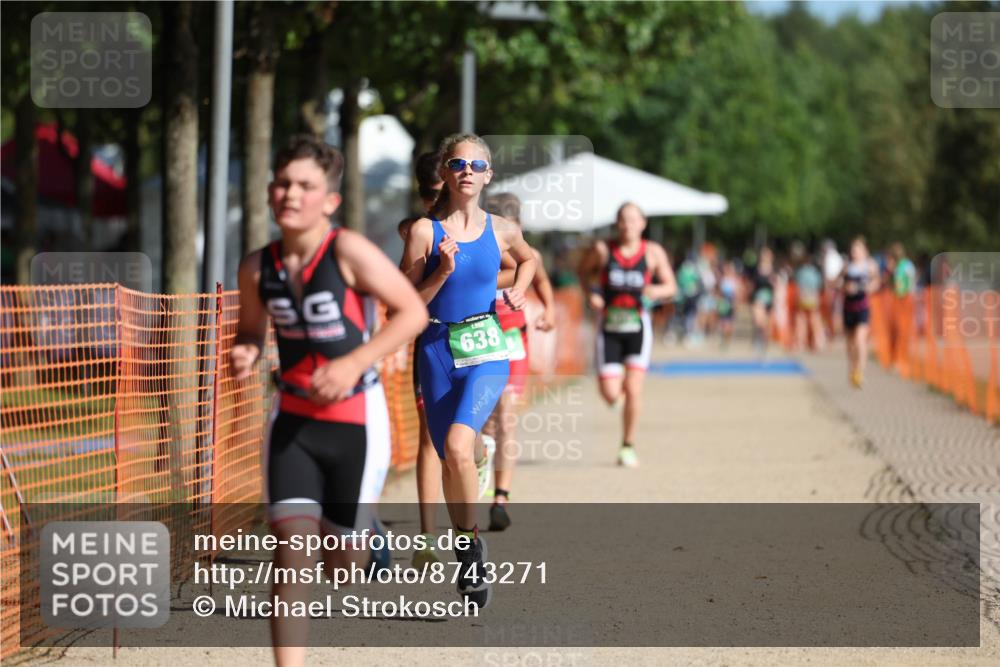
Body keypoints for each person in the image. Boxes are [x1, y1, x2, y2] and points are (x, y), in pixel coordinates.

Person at [230, 135, 427, 666]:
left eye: (305, 185)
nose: (290, 194)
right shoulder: (257, 267)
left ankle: (366, 531)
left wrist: (353, 362)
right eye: (282, 183)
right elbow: (250, 331)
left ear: (330, 200)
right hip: (292, 421)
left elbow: (412, 313)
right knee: (292, 552)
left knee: (342, 566)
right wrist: (246, 351)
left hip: (356, 420)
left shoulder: (348, 251)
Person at [401, 133, 536, 608]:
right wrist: (440, 272)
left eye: (476, 166)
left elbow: (530, 258)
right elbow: (406, 303)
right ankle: (472, 507)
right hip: (436, 350)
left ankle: (469, 549)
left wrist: (520, 287)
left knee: (456, 448)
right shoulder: (424, 233)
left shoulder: (502, 230)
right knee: (453, 455)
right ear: (444, 172)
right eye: (458, 164)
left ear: (488, 176)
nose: (467, 172)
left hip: (486, 348)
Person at [577, 202, 677, 467]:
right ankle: (620, 401)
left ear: (643, 223)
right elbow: (582, 271)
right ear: (616, 223)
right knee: (611, 394)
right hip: (609, 326)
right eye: (623, 219)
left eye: (633, 220)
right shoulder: (602, 250)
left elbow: (671, 286)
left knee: (633, 388)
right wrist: (591, 294)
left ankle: (627, 445)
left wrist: (655, 291)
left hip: (637, 326)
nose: (628, 225)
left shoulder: (653, 252)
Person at [481, 192, 556, 531]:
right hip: (480, 339)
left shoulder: (530, 256)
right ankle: (482, 469)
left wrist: (549, 311)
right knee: (486, 423)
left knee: (507, 418)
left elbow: (542, 282)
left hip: (513, 341)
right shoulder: (481, 250)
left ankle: (501, 498)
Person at [840, 236, 880, 388]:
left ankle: (860, 372)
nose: (855, 252)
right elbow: (837, 282)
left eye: (858, 249)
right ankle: (852, 368)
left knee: (860, 339)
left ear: (865, 251)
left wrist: (867, 287)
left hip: (862, 307)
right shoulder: (847, 267)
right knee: (850, 343)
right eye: (853, 249)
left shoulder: (870, 266)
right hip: (848, 308)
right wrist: (844, 287)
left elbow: (876, 282)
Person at [791, 241, 826, 352]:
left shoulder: (800, 272)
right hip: (813, 298)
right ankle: (818, 342)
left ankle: (801, 342)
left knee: (801, 320)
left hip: (802, 298)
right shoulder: (816, 272)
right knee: (815, 321)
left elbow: (797, 286)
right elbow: (819, 286)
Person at [750, 247, 776, 356]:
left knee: (766, 326)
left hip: (769, 299)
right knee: (758, 322)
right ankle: (757, 340)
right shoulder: (756, 269)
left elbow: (777, 286)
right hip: (758, 298)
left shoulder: (774, 269)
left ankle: (765, 347)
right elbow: (752, 284)